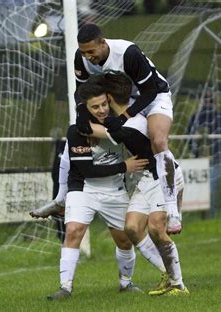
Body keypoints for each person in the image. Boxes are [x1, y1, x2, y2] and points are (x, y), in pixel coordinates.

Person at [74, 23, 182, 234]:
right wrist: (81, 115)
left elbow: (150, 91)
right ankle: (62, 199)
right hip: (120, 103)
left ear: (103, 43)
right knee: (76, 134)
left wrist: (124, 117)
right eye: (83, 52)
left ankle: (172, 209)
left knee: (158, 140)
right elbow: (81, 92)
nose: (87, 56)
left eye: (91, 51)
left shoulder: (128, 53)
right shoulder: (82, 59)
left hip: (152, 98)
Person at [46, 81, 150, 301]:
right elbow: (86, 169)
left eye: (104, 104)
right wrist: (124, 166)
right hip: (83, 188)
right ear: (85, 108)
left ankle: (126, 283)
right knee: (74, 230)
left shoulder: (120, 125)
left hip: (115, 189)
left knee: (124, 240)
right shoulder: (76, 131)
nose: (102, 110)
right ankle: (65, 288)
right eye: (95, 107)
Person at [88, 72, 188, 296]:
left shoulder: (127, 126)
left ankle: (178, 285)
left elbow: (96, 131)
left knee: (155, 229)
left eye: (103, 101)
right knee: (132, 228)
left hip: (165, 177)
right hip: (147, 178)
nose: (102, 107)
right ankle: (166, 272)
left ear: (109, 98)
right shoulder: (130, 114)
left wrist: (79, 124)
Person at [186, 88, 221, 217]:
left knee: (210, 189)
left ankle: (209, 216)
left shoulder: (219, 117)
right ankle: (205, 215)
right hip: (202, 160)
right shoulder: (196, 117)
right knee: (206, 189)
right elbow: (189, 138)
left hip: (213, 158)